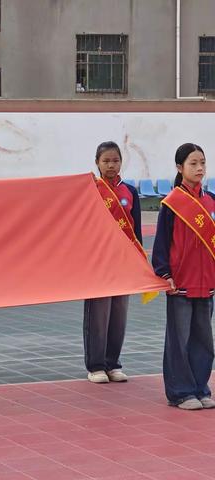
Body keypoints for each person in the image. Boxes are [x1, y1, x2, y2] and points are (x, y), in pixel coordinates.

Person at [152, 143, 215, 410]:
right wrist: (164, 274)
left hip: (208, 282)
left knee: (204, 338)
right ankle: (180, 392)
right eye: (193, 163)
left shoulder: (212, 200)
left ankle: (201, 387)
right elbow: (162, 244)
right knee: (179, 339)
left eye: (202, 162)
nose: (199, 168)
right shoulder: (172, 204)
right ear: (180, 168)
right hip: (181, 283)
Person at [84, 141, 143, 383]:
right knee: (99, 314)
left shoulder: (130, 191)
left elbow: (136, 229)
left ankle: (113, 363)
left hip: (123, 261)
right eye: (106, 161)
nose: (111, 165)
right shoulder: (89, 190)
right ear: (97, 163)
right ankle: (96, 366)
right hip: (98, 261)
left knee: (119, 314)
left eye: (115, 160)